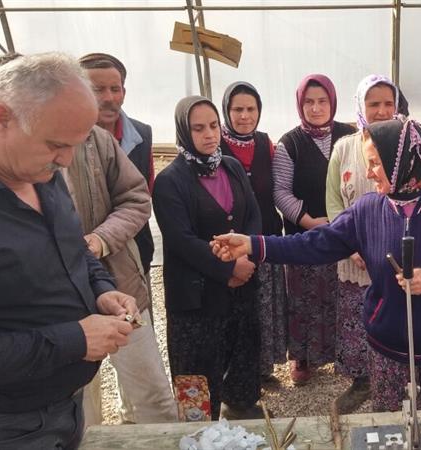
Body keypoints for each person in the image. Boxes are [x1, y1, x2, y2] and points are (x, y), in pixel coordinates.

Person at [212, 118, 421, 412]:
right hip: (388, 353)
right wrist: (253, 244)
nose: (368, 173)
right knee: (391, 431)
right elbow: (314, 244)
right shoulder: (367, 209)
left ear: (401, 161)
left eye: (374, 163)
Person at [0, 52, 137, 448]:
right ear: (1, 119)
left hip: (65, 406)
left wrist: (101, 289)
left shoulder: (37, 170)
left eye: (76, 145)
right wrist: (75, 340)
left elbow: (72, 248)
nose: (66, 160)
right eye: (57, 145)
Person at [153, 96, 262, 420]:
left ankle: (241, 408)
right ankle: (197, 427)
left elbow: (253, 214)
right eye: (198, 128)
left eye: (214, 125)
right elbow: (181, 240)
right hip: (197, 296)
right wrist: (229, 268)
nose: (209, 134)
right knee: (196, 367)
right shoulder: (170, 181)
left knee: (241, 350)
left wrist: (247, 255)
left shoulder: (231, 166)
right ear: (184, 131)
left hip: (240, 287)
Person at [63, 126, 178, 426]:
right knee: (80, 406)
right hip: (61, 303)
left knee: (153, 396)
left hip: (121, 286)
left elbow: (136, 198)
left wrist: (101, 239)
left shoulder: (97, 139)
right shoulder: (13, 152)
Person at [272, 74, 357, 383]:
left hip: (345, 231)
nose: (316, 108)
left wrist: (345, 221)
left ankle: (344, 354)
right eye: (309, 102)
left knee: (341, 295)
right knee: (303, 299)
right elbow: (280, 191)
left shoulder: (350, 136)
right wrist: (309, 221)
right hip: (304, 235)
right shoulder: (290, 143)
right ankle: (302, 357)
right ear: (300, 105)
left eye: (322, 101)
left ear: (332, 102)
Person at [325, 74, 400, 412]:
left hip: (392, 254)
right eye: (374, 104)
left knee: (392, 319)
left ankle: (392, 381)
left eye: (388, 103)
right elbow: (333, 202)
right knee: (355, 321)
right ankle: (362, 383)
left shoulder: (404, 143)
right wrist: (351, 245)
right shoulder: (343, 148)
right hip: (353, 255)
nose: (382, 111)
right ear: (360, 106)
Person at [218, 81, 287, 384]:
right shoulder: (215, 146)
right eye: (238, 109)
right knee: (238, 308)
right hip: (231, 244)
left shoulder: (264, 143)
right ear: (227, 111)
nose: (245, 116)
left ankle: (263, 368)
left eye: (251, 109)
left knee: (265, 306)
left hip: (265, 239)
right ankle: (237, 373)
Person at [79, 53, 156, 279]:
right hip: (86, 256)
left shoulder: (141, 134)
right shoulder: (66, 140)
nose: (109, 98)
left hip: (135, 253)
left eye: (115, 89)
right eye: (97, 89)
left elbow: (145, 191)